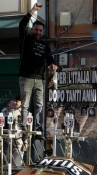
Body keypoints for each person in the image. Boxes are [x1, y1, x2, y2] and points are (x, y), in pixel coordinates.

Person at [18, 3, 57, 134]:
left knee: (39, 105)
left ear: (43, 32)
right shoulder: (26, 40)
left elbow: (50, 59)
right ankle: (23, 127)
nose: (38, 32)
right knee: (25, 105)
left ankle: (39, 127)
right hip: (26, 77)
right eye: (36, 29)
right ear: (32, 29)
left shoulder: (45, 46)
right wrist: (33, 10)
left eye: (40, 30)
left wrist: (53, 65)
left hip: (40, 79)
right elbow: (22, 24)